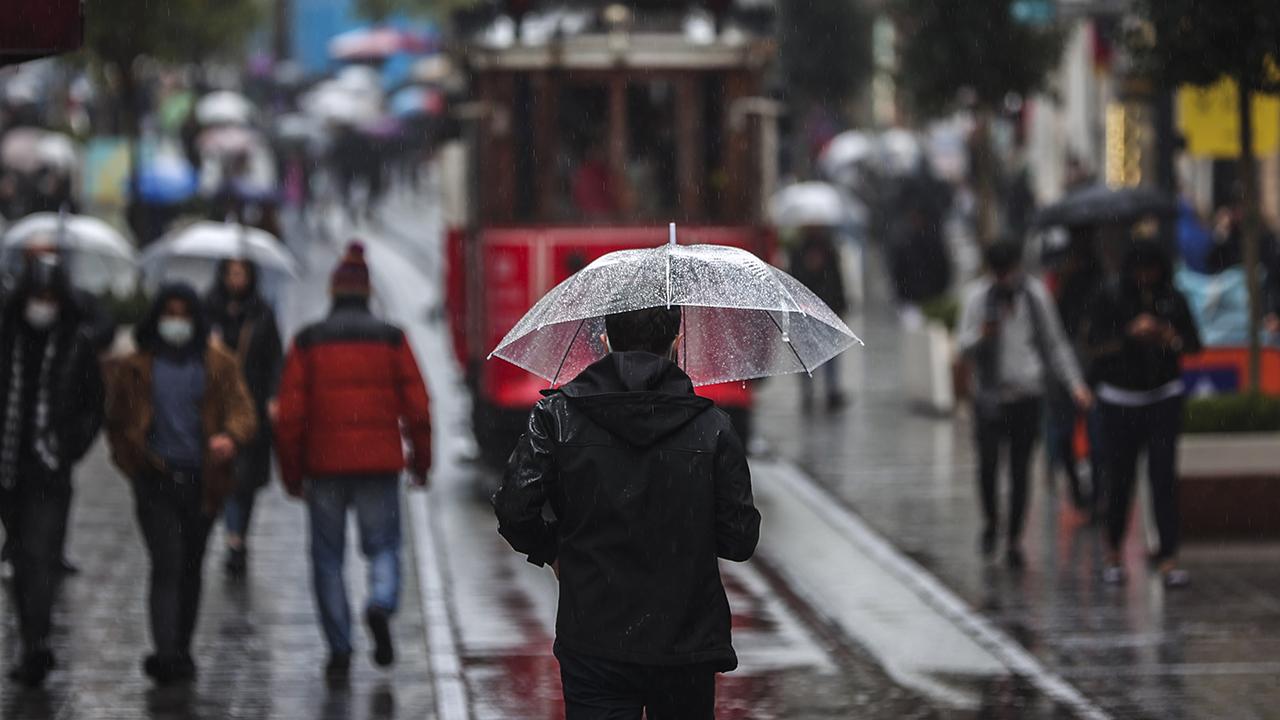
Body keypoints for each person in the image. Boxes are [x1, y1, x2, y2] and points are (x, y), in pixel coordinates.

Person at [494, 305, 761, 719]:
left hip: (593, 640)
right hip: (685, 645)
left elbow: (514, 507)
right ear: (676, 345)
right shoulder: (712, 427)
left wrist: (554, 551)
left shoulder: (558, 417)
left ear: (605, 344)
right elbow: (740, 539)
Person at [274, 242, 432, 681]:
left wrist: (291, 474)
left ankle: (340, 647)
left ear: (332, 293)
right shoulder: (392, 338)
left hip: (323, 467)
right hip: (380, 463)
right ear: (367, 293)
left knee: (327, 557)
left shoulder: (307, 341)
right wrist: (421, 462)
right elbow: (419, 408)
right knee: (383, 545)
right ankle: (380, 601)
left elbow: (289, 417)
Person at [104, 283, 257, 684]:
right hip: (155, 481)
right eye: (168, 313)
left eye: (183, 314)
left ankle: (182, 647)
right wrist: (132, 462)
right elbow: (117, 421)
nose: (176, 322)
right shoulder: (137, 366)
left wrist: (231, 437)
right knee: (167, 563)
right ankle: (166, 652)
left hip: (202, 482)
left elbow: (243, 410)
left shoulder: (217, 363)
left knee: (190, 566)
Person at [0, 256, 103, 687]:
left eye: (50, 298)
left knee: (40, 557)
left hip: (49, 470)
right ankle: (30, 636)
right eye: (37, 297)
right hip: (8, 468)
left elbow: (92, 407)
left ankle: (37, 643)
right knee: (22, 558)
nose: (42, 306)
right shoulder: (7, 340)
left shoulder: (75, 346)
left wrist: (67, 448)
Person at [958, 242, 1092, 568]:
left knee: (1020, 469)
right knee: (988, 467)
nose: (1004, 279)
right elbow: (962, 344)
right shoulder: (978, 297)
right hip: (990, 396)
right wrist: (982, 335)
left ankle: (1014, 538)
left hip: (1027, 396)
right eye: (998, 273)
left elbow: (1054, 342)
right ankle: (992, 521)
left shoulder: (1034, 297)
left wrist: (1076, 385)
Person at [1087, 241, 1202, 587]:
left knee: (1163, 478)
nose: (1145, 277)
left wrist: (1168, 336)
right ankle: (1113, 554)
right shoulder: (1109, 296)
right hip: (1120, 399)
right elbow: (1093, 344)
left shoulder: (1173, 298)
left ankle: (1168, 556)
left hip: (1163, 396)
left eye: (1151, 270)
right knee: (1119, 479)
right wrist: (1128, 335)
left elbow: (1194, 344)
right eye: (1140, 270)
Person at [205, 259, 284, 578]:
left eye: (242, 274)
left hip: (250, 406)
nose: (236, 279)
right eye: (231, 273)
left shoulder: (262, 312)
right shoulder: (208, 309)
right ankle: (233, 537)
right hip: (216, 406)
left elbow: (275, 358)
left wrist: (273, 397)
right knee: (224, 475)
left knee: (245, 479)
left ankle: (237, 537)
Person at [1046, 231, 1105, 515]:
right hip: (1066, 370)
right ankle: (1082, 491)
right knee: (1066, 434)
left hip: (1088, 368)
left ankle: (1094, 495)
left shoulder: (1098, 282)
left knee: (1091, 435)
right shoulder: (1061, 285)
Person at [788, 226, 850, 410]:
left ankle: (832, 391)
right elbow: (794, 280)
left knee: (830, 353)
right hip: (805, 310)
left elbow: (836, 279)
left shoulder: (829, 249)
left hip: (827, 307)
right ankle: (808, 392)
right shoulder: (798, 250)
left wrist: (840, 303)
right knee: (806, 353)